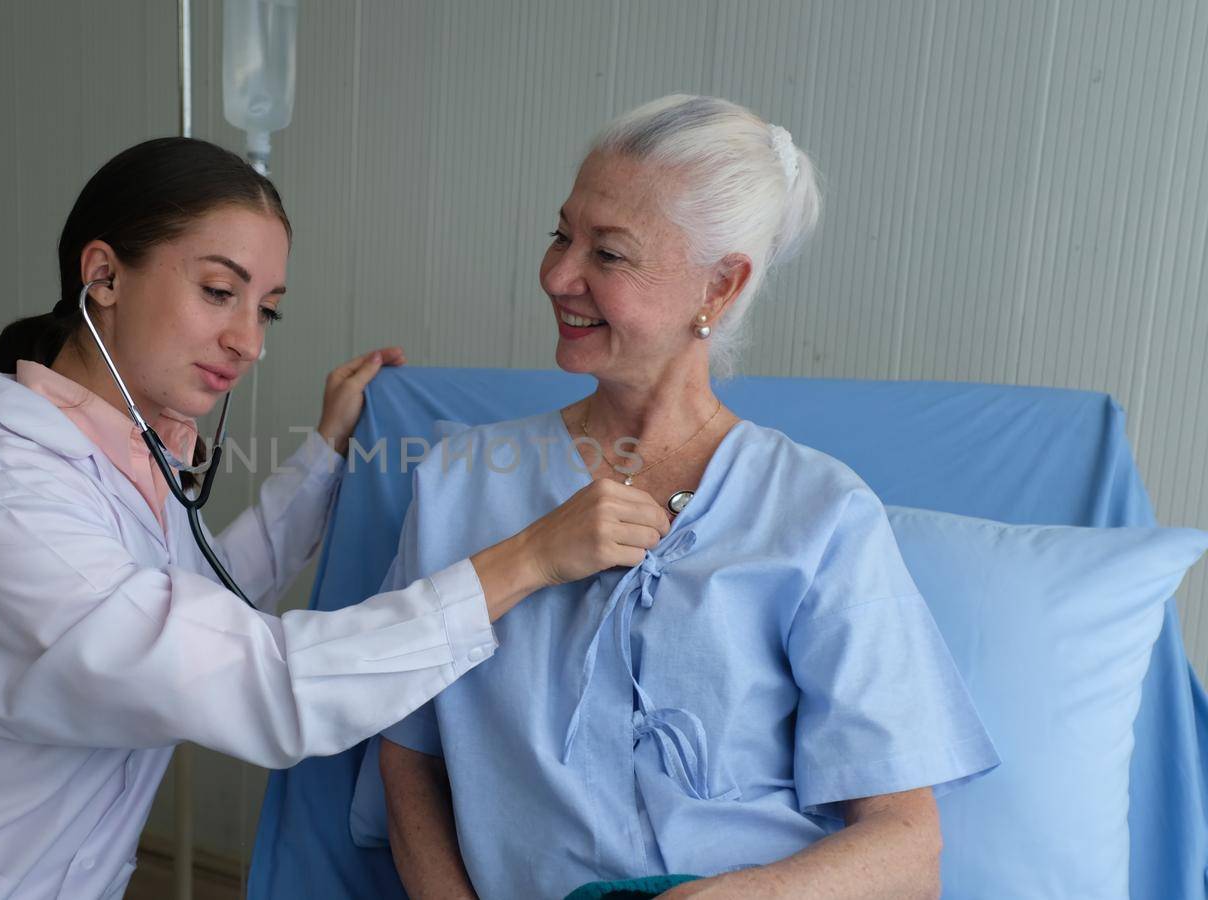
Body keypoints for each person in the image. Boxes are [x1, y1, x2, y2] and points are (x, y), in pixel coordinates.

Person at [0, 137, 672, 900]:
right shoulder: (4, 500)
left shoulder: (125, 456)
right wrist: (528, 560)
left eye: (268, 310)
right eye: (218, 291)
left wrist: (328, 452)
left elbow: (207, 596)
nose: (246, 341)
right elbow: (264, 684)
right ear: (105, 276)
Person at [375, 95, 999, 900]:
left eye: (610, 254)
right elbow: (407, 755)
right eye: (561, 233)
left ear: (721, 285)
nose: (557, 275)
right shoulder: (463, 482)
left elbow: (908, 848)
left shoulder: (820, 513)